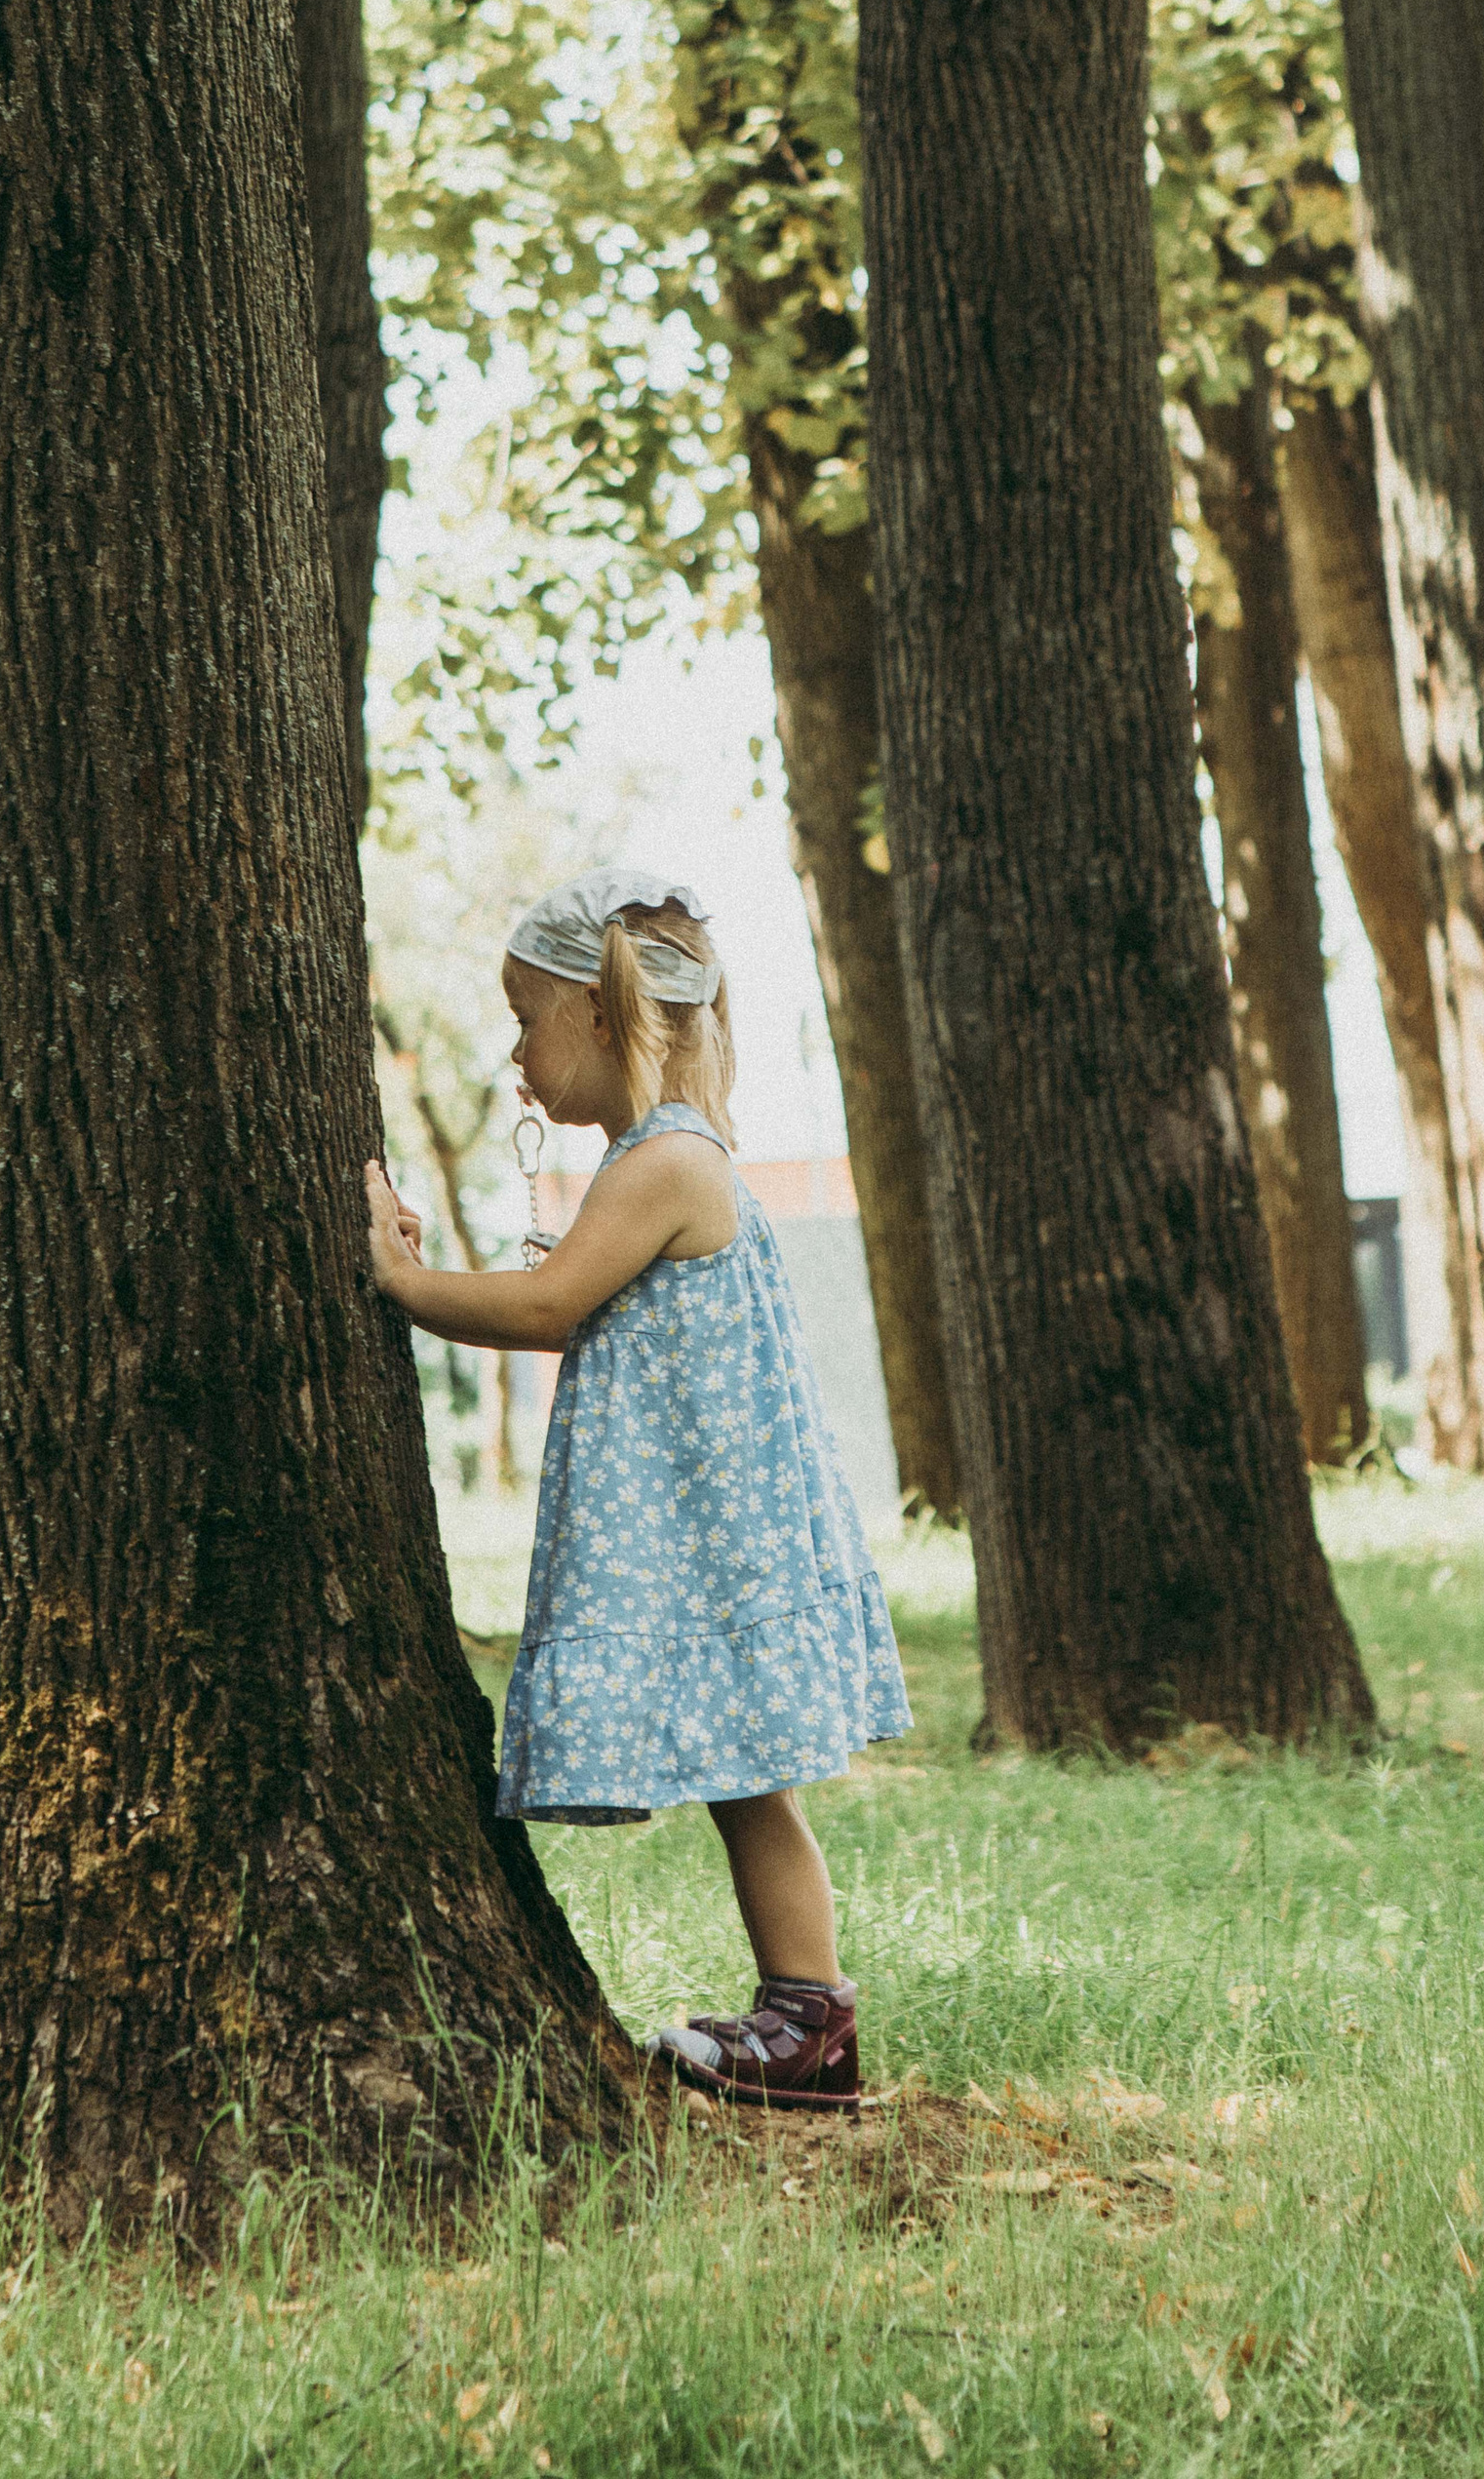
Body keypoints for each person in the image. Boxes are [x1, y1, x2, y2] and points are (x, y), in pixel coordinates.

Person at [365, 866, 911, 2111]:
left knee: (752, 1783)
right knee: (746, 1782)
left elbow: (549, 1309)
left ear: (602, 1019)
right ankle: (805, 2017)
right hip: (708, 1525)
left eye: (524, 1016)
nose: (512, 1049)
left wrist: (399, 1284)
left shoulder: (664, 1163)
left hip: (715, 1533)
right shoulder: (653, 1158)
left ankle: (811, 2017)